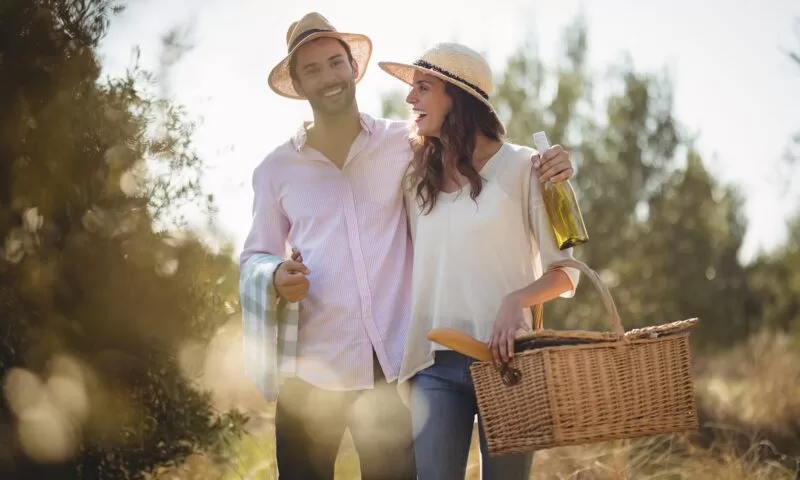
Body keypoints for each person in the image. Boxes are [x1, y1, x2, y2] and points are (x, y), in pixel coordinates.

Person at [239, 12, 576, 480]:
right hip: (330, 369)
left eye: (335, 62)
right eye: (311, 69)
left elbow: (487, 157)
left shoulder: (409, 147)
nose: (328, 77)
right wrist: (273, 274)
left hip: (407, 369)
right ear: (297, 83)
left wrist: (554, 166)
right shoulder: (280, 170)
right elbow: (255, 255)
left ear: (353, 69)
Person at [377, 43, 582, 480]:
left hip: (509, 364)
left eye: (423, 88)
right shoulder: (416, 179)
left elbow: (566, 275)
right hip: (433, 363)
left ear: (457, 96)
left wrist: (516, 300)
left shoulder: (526, 167)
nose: (410, 100)